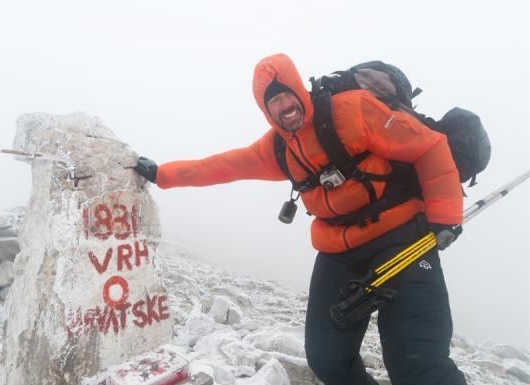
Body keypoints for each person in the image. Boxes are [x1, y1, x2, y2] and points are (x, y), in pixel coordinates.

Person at [134, 53, 466, 385]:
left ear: (299, 90)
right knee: (328, 361)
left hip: (401, 239)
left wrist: (445, 218)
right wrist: (162, 174)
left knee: (419, 365)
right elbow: (220, 166)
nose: (283, 105)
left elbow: (428, 146)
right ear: (267, 112)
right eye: (273, 101)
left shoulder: (353, 110)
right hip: (340, 254)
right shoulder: (277, 150)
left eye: (286, 94)